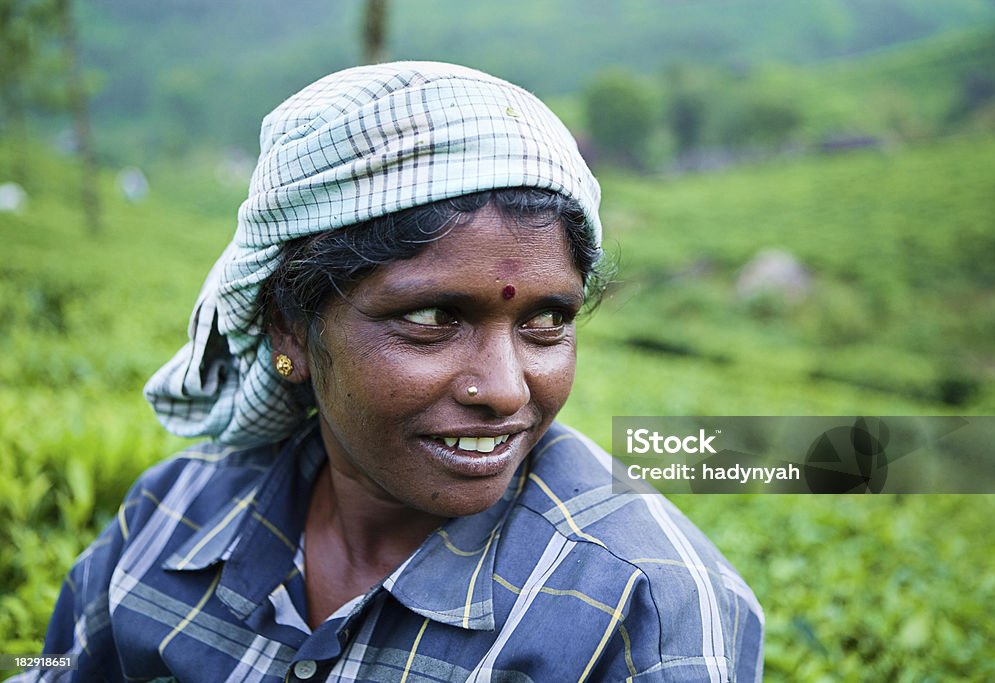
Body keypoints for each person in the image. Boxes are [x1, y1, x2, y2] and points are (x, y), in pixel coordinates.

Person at [20, 62, 763, 682]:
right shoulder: (167, 519)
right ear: (292, 326)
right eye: (434, 319)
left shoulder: (644, 610)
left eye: (547, 321)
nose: (505, 389)